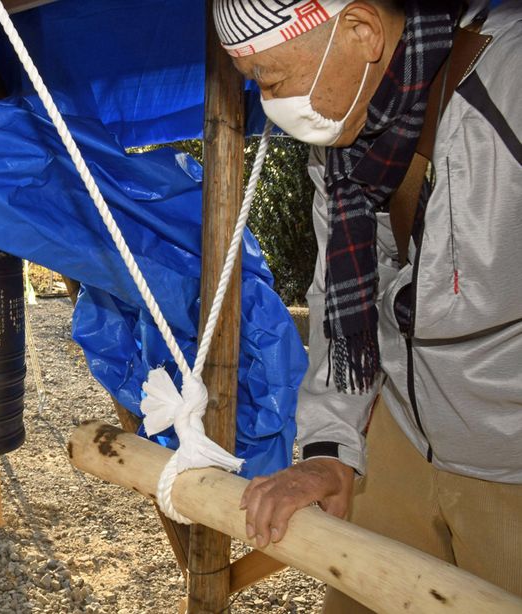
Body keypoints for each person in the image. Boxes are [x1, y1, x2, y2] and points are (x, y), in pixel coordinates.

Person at [213, 0, 522, 610]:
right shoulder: (345, 133)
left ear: (361, 31)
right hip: (403, 434)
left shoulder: (509, 81)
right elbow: (341, 296)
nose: (272, 107)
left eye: (272, 81)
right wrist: (329, 451)